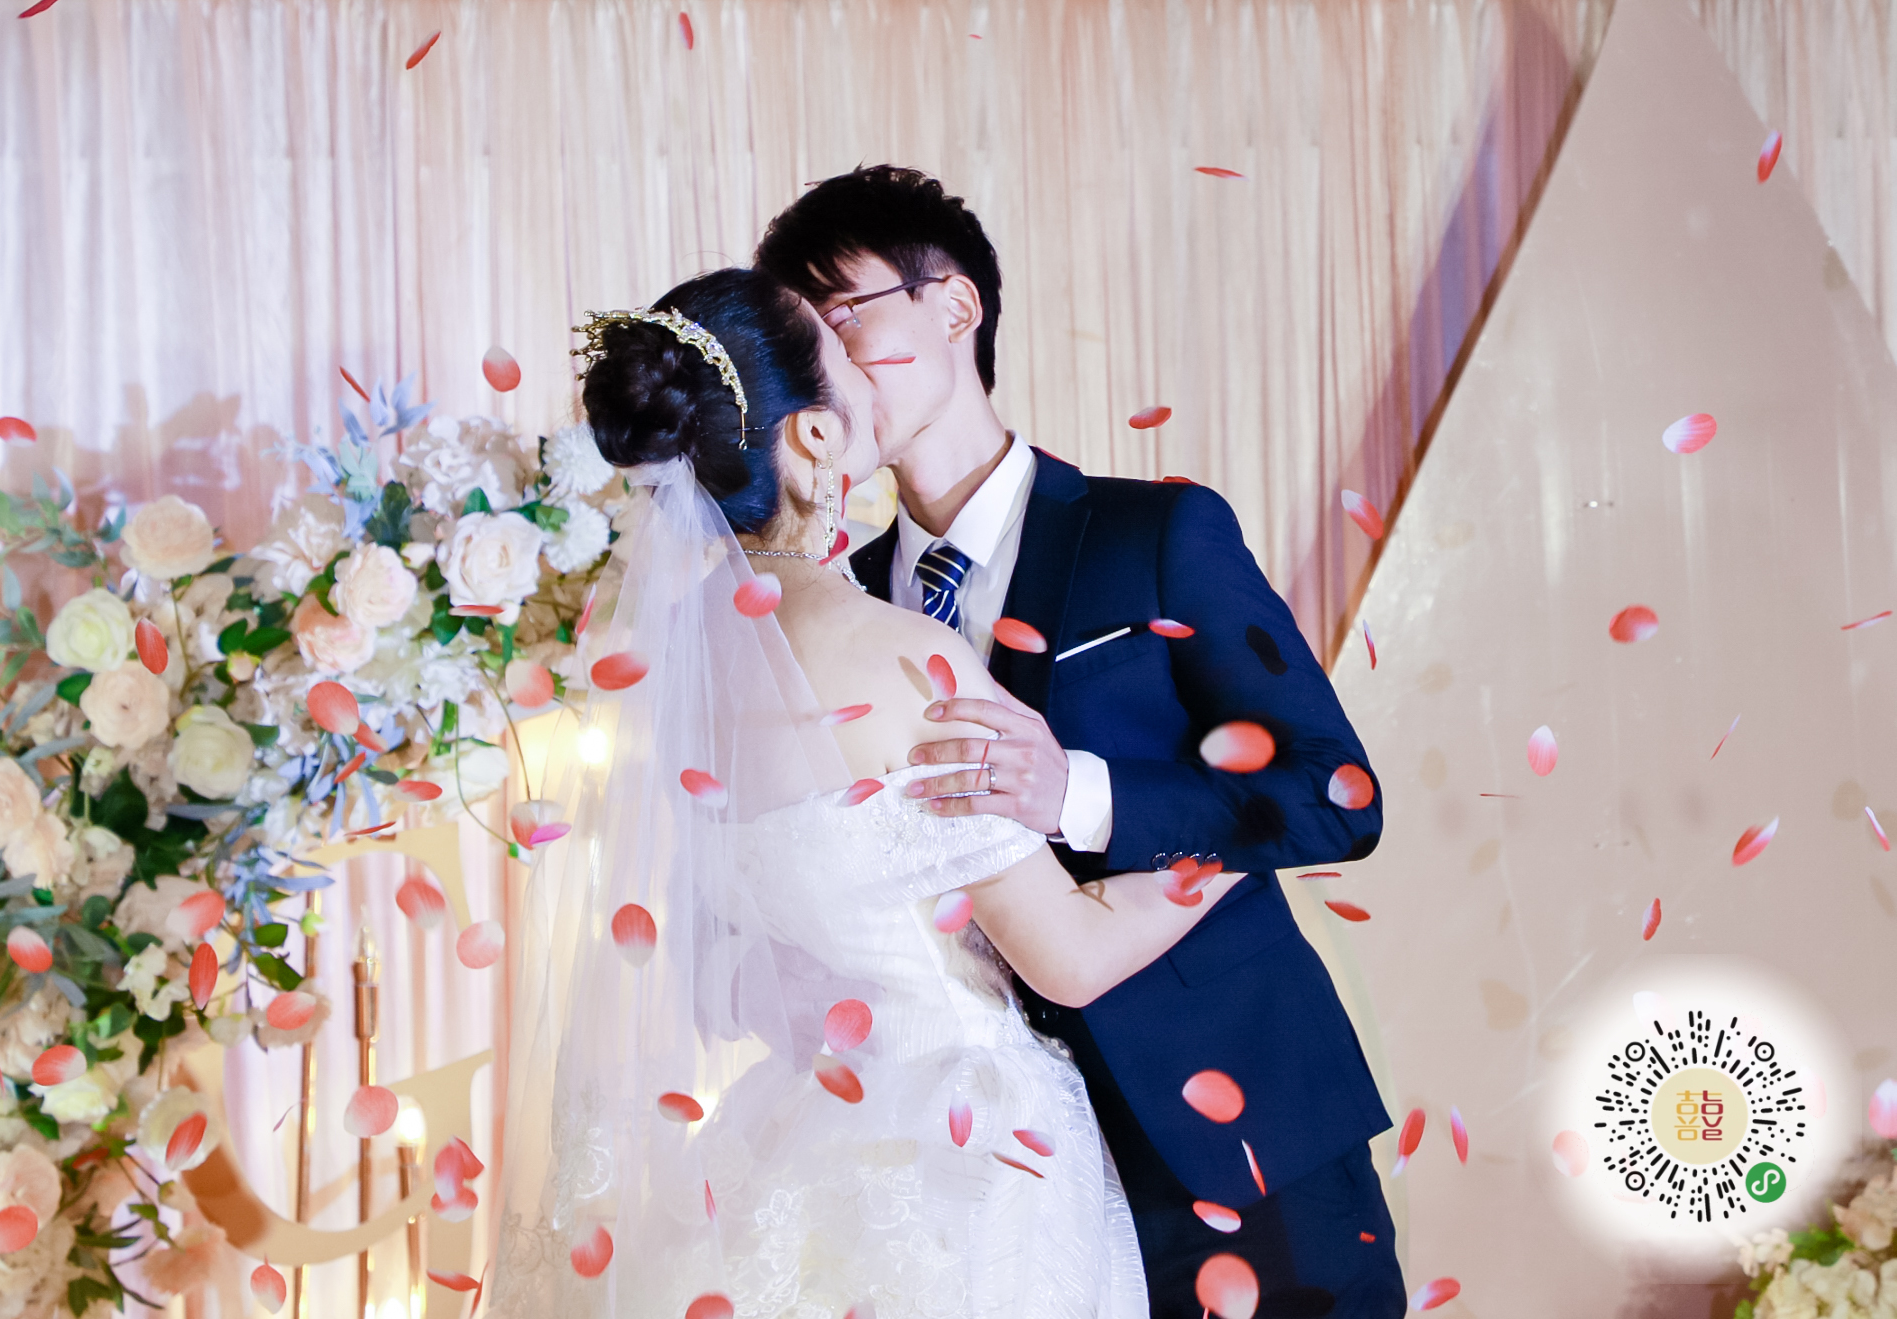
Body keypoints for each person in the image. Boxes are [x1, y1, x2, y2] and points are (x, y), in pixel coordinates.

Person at [483, 266, 1254, 1317]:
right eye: (845, 360)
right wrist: (1246, 830)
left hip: (800, 1129)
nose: (871, 374)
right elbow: (1068, 954)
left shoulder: (675, 670)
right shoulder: (896, 654)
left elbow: (710, 950)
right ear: (812, 437)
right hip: (965, 1151)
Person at [756, 166, 1406, 1317]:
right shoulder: (839, 608)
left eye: (845, 315)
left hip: (1242, 1137)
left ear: (955, 306)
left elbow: (1335, 793)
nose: (830, 367)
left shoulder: (1155, 532)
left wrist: (1080, 794)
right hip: (1008, 1189)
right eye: (804, 339)